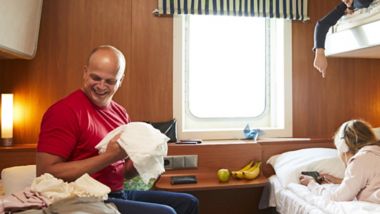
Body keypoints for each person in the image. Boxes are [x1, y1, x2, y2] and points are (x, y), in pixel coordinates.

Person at [36, 45, 199, 214]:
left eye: (110, 81)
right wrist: (109, 156)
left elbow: (121, 174)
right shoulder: (64, 112)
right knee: (166, 213)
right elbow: (45, 172)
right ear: (85, 72)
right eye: (95, 78)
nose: (101, 86)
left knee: (188, 202)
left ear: (120, 81)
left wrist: (146, 156)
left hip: (116, 193)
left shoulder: (120, 113)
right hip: (86, 199)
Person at [299, 119, 380, 203]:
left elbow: (337, 198)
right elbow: (370, 181)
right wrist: (339, 181)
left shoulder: (360, 160)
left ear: (343, 146)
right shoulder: (375, 153)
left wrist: (311, 184)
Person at [313, 0, 373, 78]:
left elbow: (363, 3)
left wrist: (351, 6)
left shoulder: (351, 3)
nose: (345, 1)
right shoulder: (346, 4)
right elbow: (321, 24)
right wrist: (319, 53)